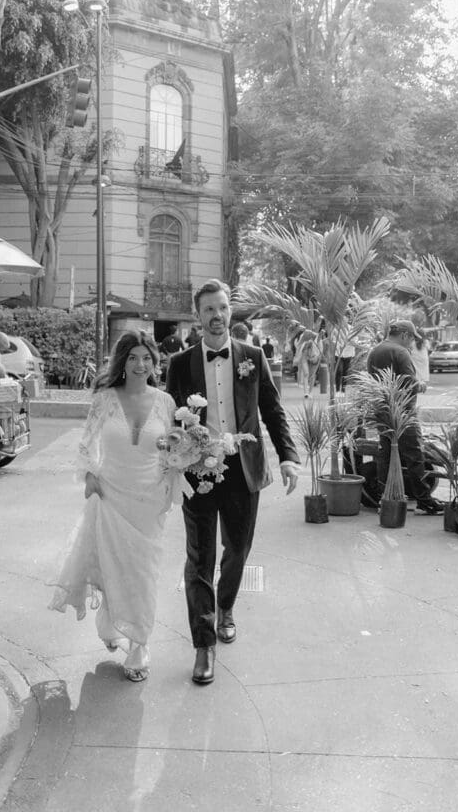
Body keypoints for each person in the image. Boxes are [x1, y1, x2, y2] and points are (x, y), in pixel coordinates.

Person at [166, 279, 300, 686]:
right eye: (209, 309)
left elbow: (272, 410)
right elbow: (171, 420)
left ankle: (225, 606)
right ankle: (203, 644)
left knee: (238, 549)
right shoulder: (180, 364)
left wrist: (288, 456)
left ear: (229, 311)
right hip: (198, 472)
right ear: (198, 315)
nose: (217, 315)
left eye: (222, 307)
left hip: (243, 470)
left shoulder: (252, 357)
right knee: (199, 558)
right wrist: (173, 456)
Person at [50, 331, 176, 683]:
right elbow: (86, 442)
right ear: (122, 361)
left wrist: (179, 466)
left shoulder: (166, 402)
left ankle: (139, 645)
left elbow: (171, 449)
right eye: (133, 357)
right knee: (112, 567)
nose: (140, 364)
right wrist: (89, 474)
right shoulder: (105, 400)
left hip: (150, 501)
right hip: (110, 495)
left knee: (142, 573)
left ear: (155, 362)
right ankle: (112, 624)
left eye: (147, 357)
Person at [366, 320, 442, 515]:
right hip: (403, 413)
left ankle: (385, 498)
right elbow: (409, 383)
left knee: (386, 455)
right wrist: (421, 386)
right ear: (405, 335)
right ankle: (424, 501)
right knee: (414, 456)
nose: (412, 343)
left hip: (383, 411)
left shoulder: (375, 351)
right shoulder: (400, 352)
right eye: (411, 338)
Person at [294, 329, 322, 398]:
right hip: (305, 356)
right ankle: (306, 393)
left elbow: (321, 350)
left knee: (312, 375)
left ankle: (310, 392)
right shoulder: (303, 337)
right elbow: (299, 347)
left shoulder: (317, 338)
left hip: (314, 357)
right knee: (306, 374)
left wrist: (317, 357)